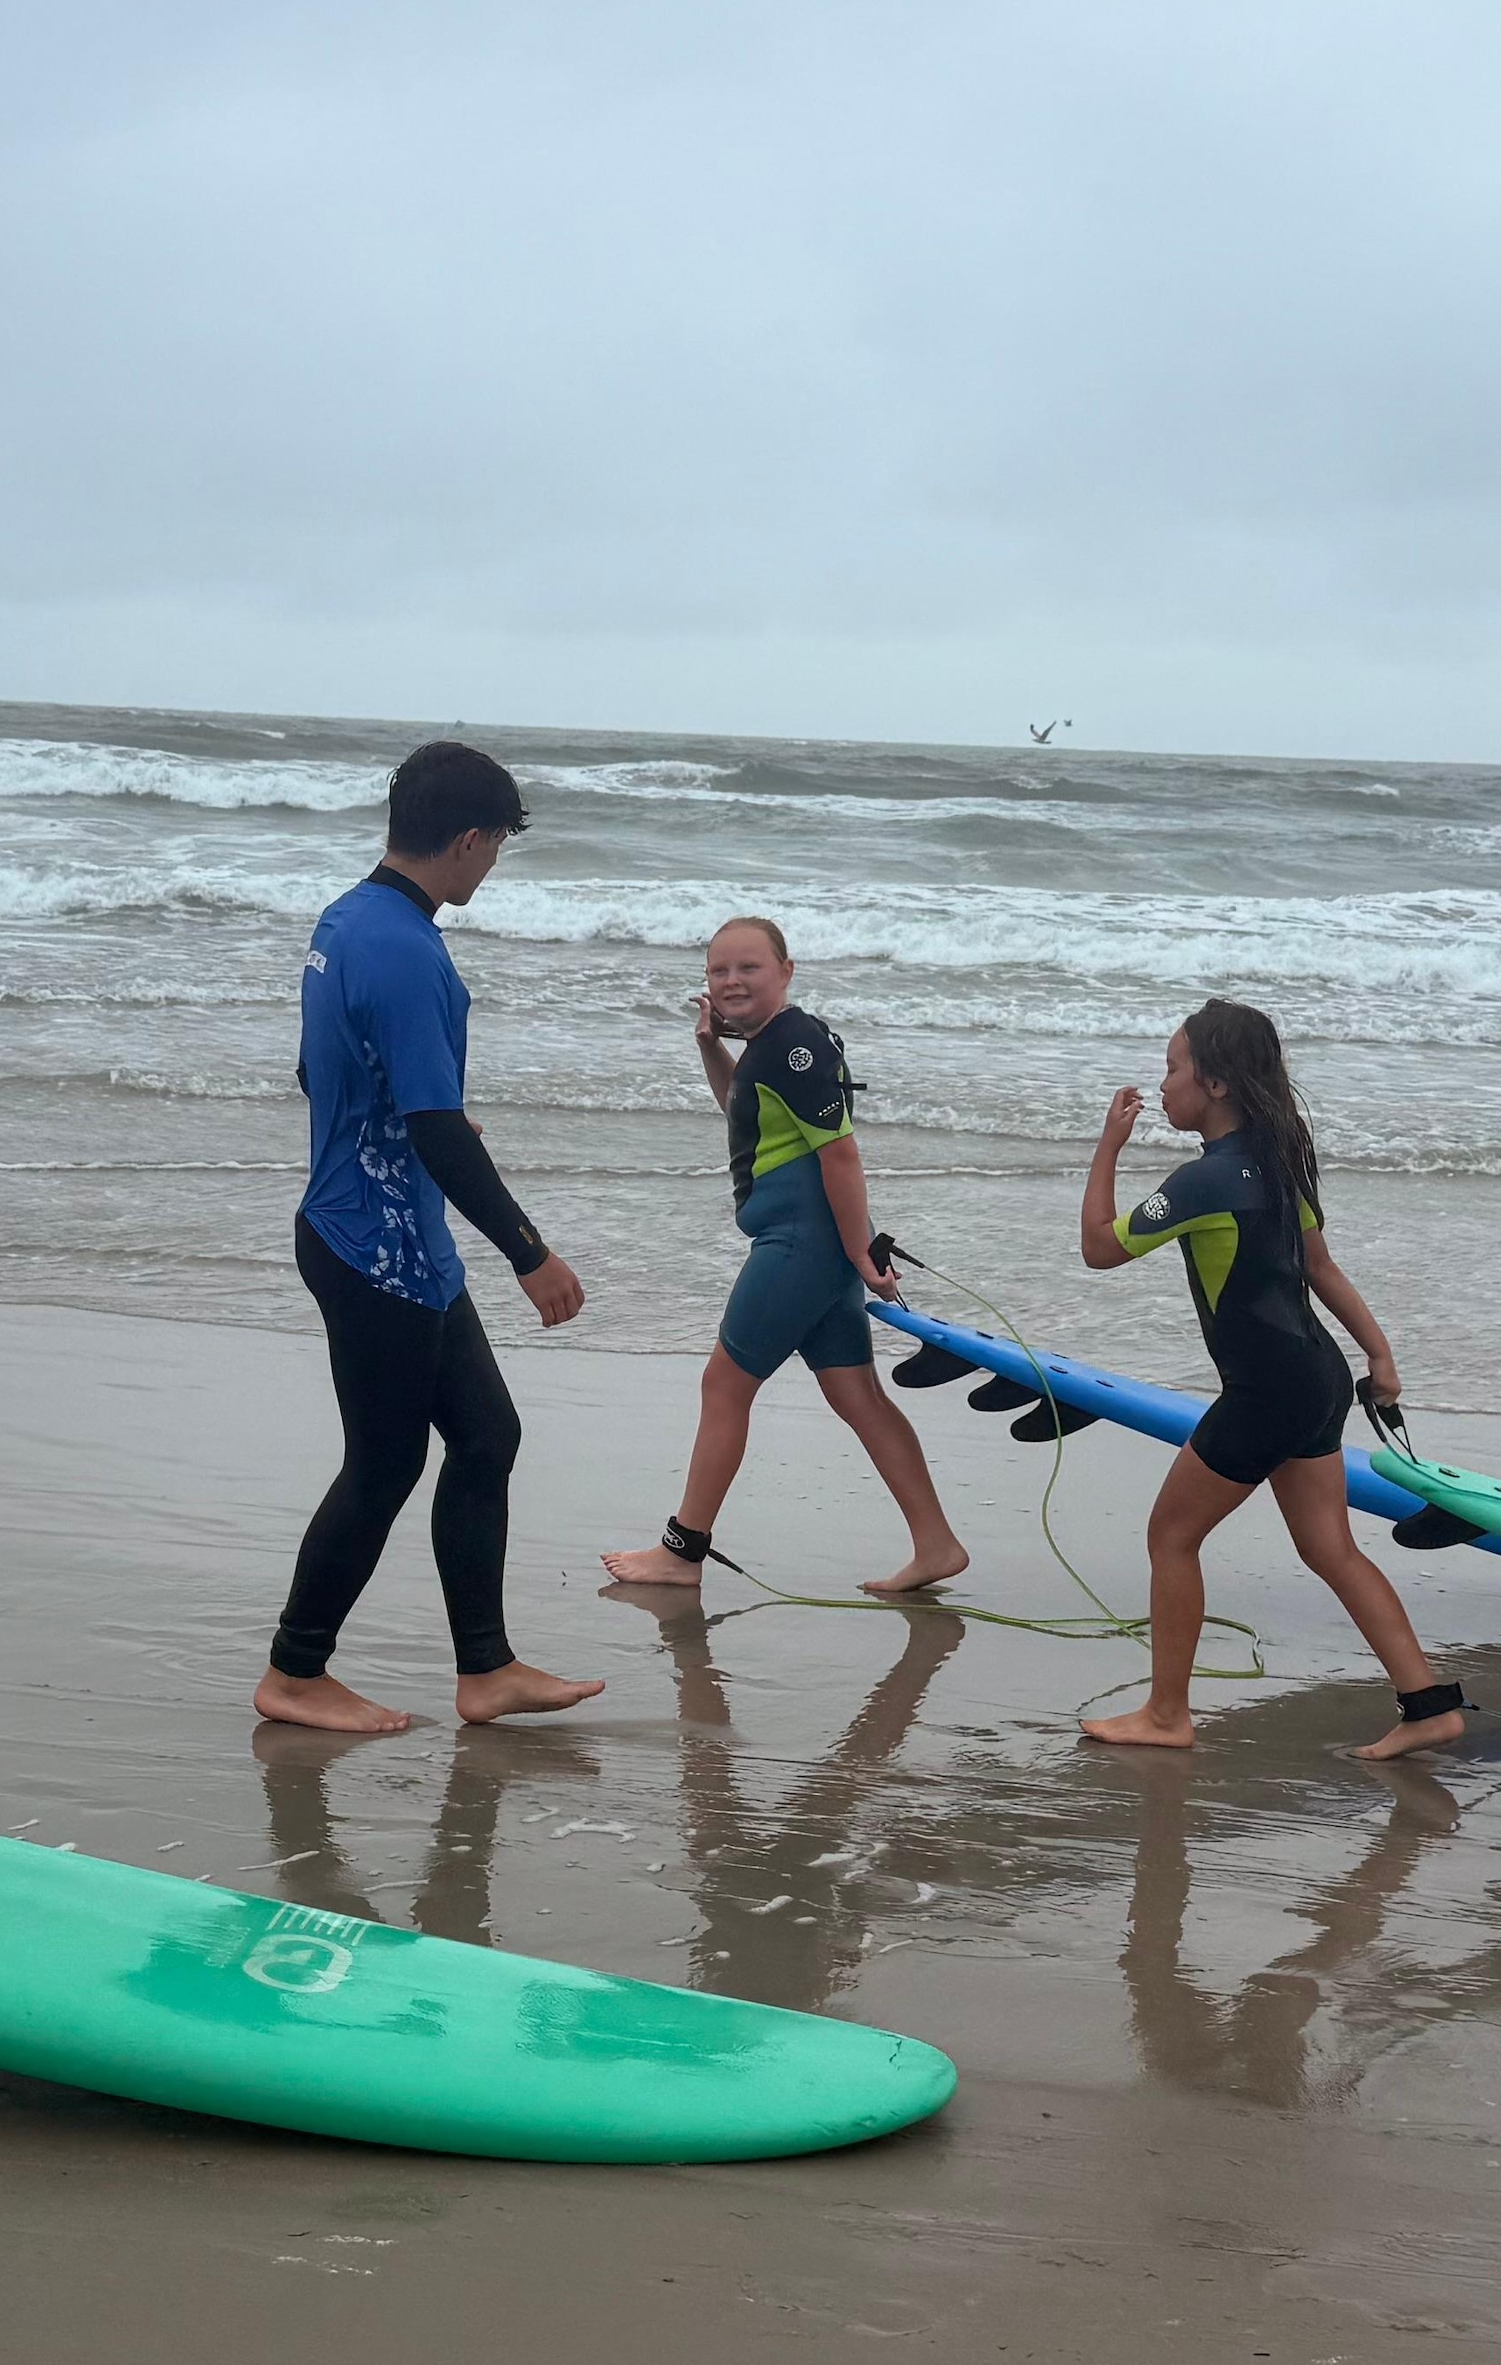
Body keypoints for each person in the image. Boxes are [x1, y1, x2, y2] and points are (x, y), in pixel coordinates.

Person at [255, 742, 606, 1737]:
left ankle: (486, 1669)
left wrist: (407, 1118)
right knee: (383, 1464)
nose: (490, 867)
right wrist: (530, 1251)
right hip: (376, 1251)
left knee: (486, 1437)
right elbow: (441, 1132)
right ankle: (294, 1671)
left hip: (386, 1233)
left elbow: (317, 1073)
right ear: (466, 841)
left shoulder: (345, 922)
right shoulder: (408, 951)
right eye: (492, 849)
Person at [1075, 995, 1465, 1761]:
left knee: (1171, 1535)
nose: (1164, 1084)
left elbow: (1098, 1249)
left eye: (1174, 1067)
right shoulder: (1280, 1159)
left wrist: (1108, 1147)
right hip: (1315, 1378)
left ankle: (1166, 1714)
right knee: (1331, 1549)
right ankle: (1428, 1704)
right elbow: (1319, 1266)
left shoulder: (1202, 1183)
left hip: (1268, 1391)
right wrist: (1378, 1356)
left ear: (1215, 1083)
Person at [601, 916, 968, 1601]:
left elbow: (841, 1154)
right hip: (816, 1249)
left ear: (786, 970)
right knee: (856, 1394)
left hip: (799, 1245)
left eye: (749, 968)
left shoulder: (794, 1046)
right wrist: (711, 1047)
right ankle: (936, 1543)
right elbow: (743, 1109)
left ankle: (683, 1550)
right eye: (719, 971)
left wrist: (861, 1254)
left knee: (724, 1386)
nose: (732, 981)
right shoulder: (773, 1046)